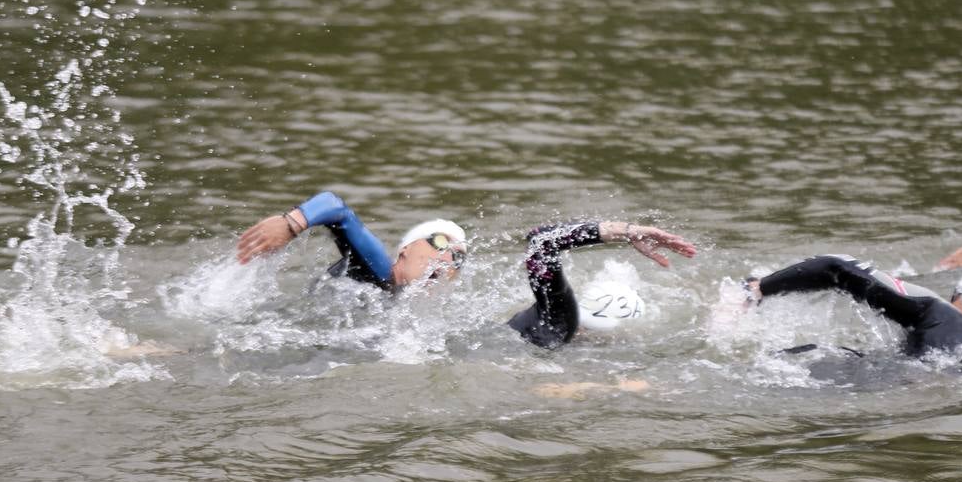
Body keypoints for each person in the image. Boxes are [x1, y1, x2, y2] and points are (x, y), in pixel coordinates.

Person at [745, 253, 962, 365]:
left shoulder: (938, 314)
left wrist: (759, 288)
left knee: (815, 353)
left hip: (884, 387)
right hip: (924, 391)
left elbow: (835, 267)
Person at [508, 220, 697, 348]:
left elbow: (541, 241)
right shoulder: (558, 328)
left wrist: (626, 231)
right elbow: (541, 241)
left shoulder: (536, 321)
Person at [236, 191, 467, 290]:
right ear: (406, 249)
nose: (447, 257)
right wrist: (291, 224)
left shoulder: (401, 312)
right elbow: (336, 208)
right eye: (440, 242)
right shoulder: (378, 271)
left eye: (458, 258)